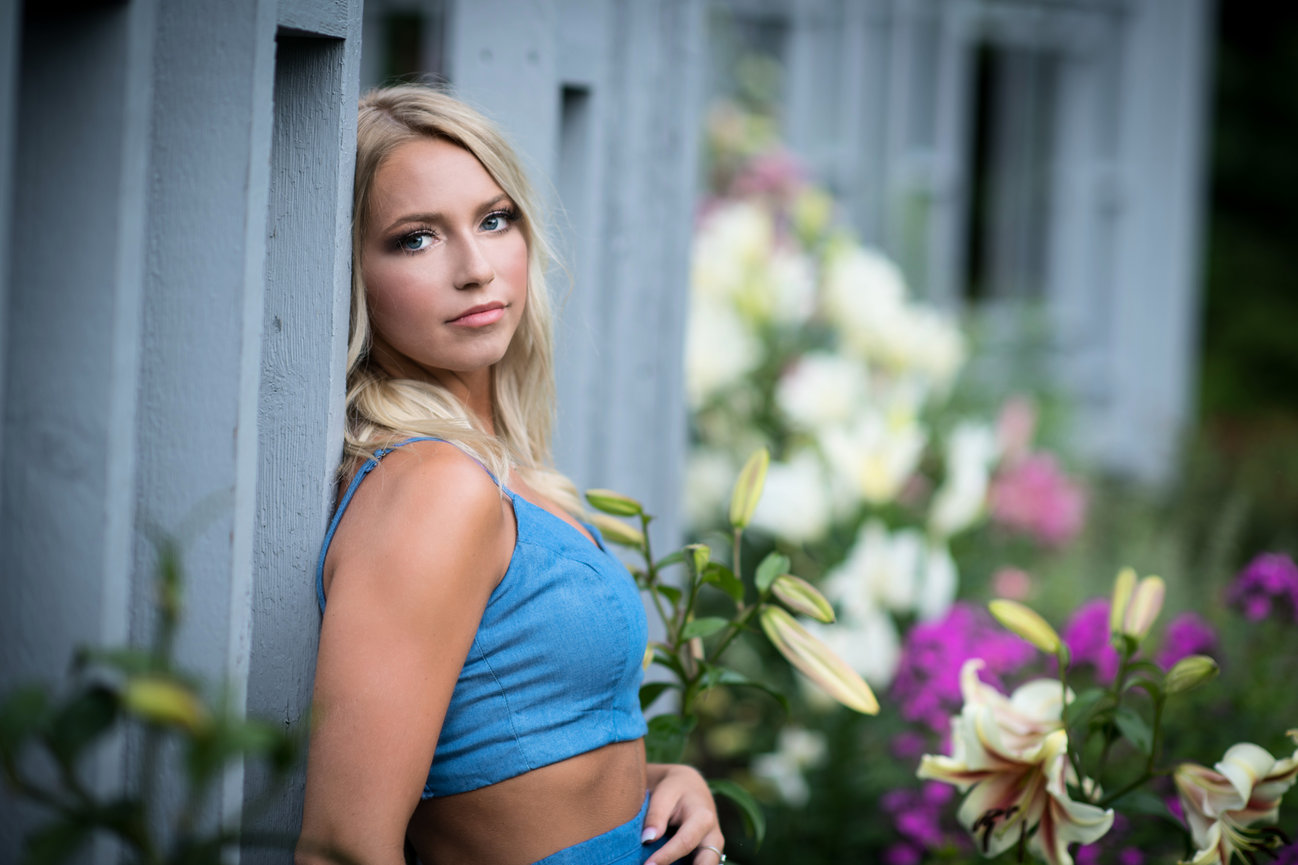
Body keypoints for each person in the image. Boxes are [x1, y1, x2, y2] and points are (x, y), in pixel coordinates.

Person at [297, 83, 725, 865]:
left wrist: (665, 779)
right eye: (416, 239)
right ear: (351, 271)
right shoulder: (433, 487)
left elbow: (509, 757)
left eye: (495, 221)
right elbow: (342, 849)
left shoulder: (497, 468)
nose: (476, 268)